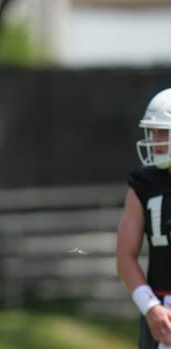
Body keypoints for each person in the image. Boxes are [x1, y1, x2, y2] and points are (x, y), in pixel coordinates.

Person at [117, 87, 171, 349]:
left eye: (164, 131)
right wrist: (150, 307)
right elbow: (125, 256)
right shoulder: (143, 184)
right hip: (160, 310)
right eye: (153, 131)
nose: (156, 139)